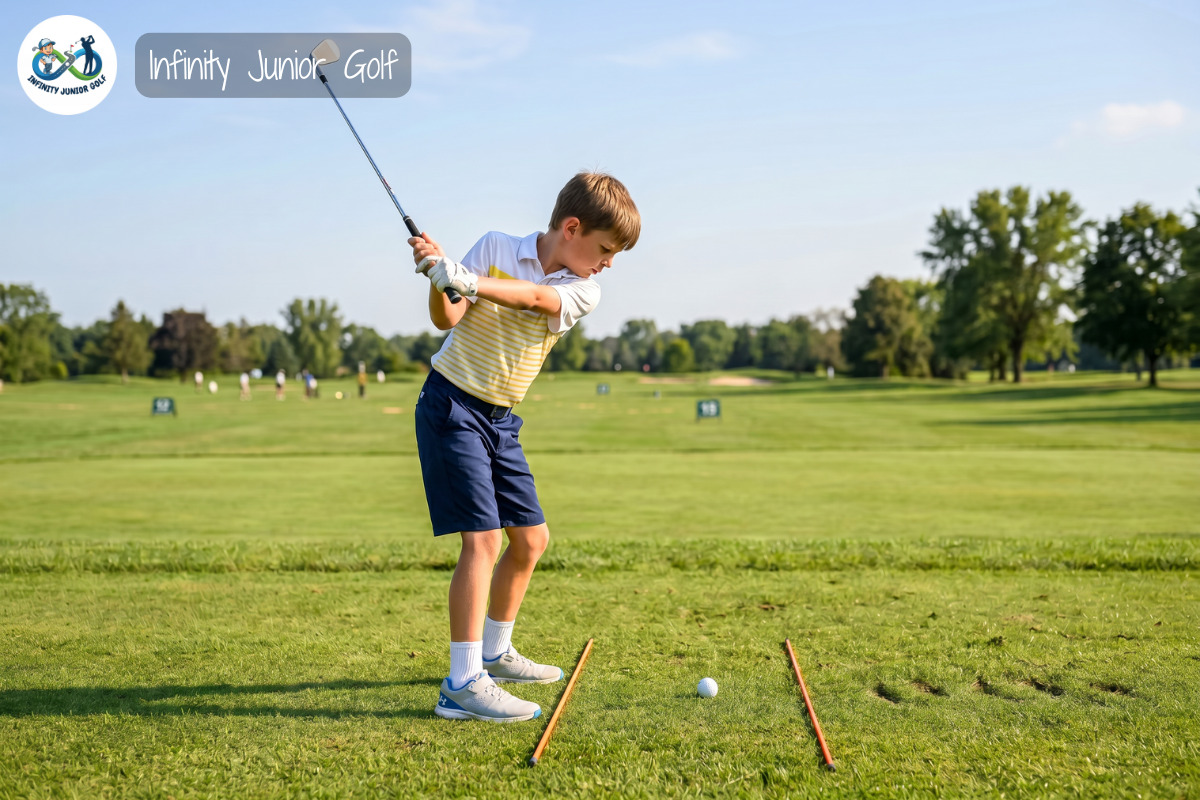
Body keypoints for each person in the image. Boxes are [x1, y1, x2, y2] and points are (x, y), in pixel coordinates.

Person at [407, 172, 640, 722]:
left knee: (531, 540)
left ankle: (495, 651)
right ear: (572, 228)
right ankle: (463, 683)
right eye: (605, 250)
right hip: (451, 405)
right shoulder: (495, 248)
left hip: (500, 419)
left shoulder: (582, 289)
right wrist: (439, 277)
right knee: (483, 542)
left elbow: (535, 298)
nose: (608, 264)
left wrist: (466, 279)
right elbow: (447, 317)